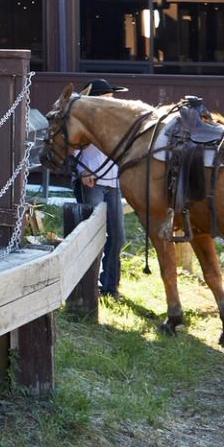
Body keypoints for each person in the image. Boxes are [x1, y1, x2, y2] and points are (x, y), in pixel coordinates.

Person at [72, 77, 126, 298]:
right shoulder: (83, 122)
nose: (111, 101)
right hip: (92, 182)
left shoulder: (117, 121)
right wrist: (82, 172)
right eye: (106, 98)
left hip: (113, 183)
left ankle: (110, 287)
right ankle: (87, 286)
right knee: (92, 235)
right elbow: (71, 148)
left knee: (118, 237)